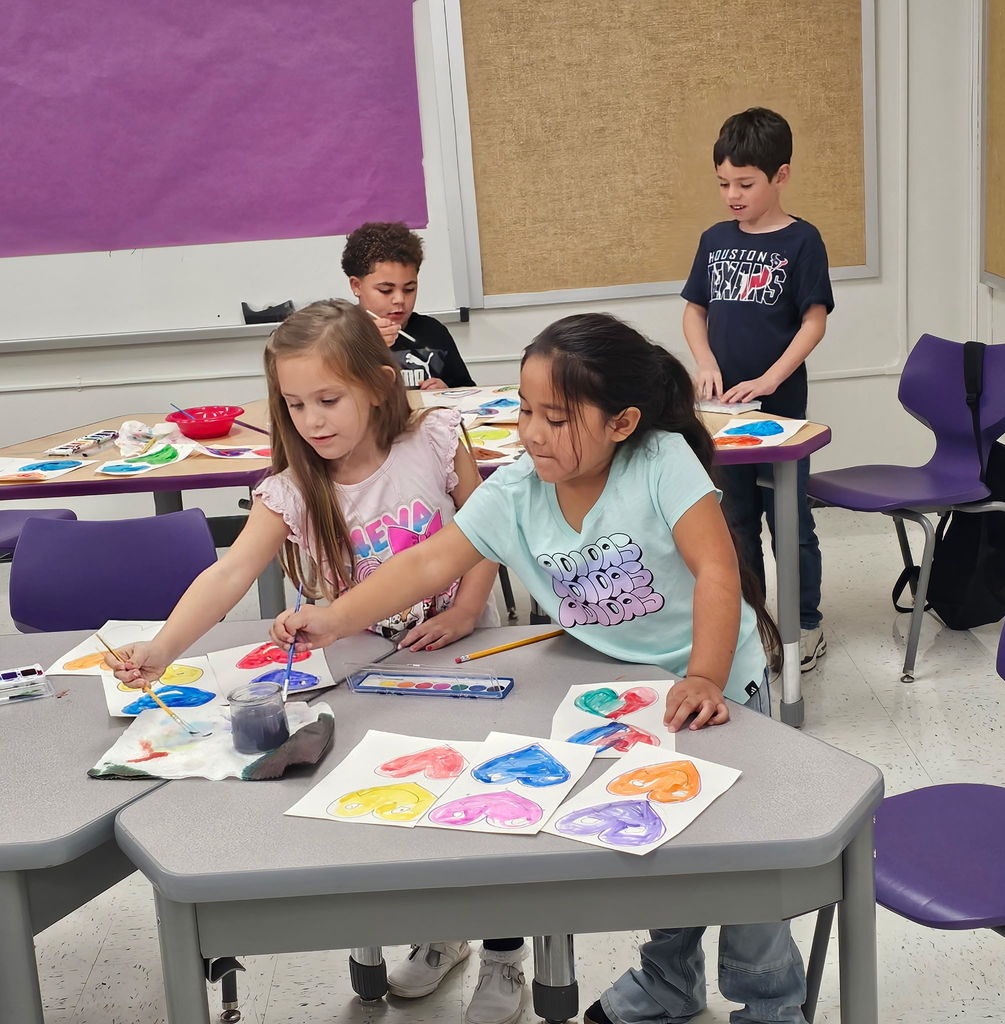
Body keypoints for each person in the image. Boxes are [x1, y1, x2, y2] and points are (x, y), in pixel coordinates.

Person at [272, 313, 806, 1024]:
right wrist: (335, 616)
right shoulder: (519, 489)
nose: (531, 433)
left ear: (622, 424)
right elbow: (432, 560)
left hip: (716, 681)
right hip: (623, 694)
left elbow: (716, 570)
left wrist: (704, 675)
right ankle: (670, 982)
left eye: (555, 417)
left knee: (741, 863)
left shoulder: (661, 459)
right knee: (663, 841)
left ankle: (771, 1004)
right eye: (526, 411)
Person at [108, 298, 499, 686]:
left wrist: (465, 612)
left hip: (469, 644)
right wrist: (160, 650)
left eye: (329, 400)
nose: (312, 421)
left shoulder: (433, 440)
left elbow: (484, 532)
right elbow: (229, 573)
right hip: (367, 661)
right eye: (295, 405)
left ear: (379, 386)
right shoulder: (291, 491)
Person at [682, 107, 834, 673]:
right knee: (733, 522)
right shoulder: (715, 239)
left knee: (790, 522)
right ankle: (751, 621)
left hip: (781, 416)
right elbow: (695, 312)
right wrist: (704, 362)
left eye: (745, 184)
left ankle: (805, 624)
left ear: (781, 175)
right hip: (721, 416)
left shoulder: (802, 241)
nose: (732, 195)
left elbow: (813, 322)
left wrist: (770, 380)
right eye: (724, 183)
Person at [342, 221, 475, 390]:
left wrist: (447, 391)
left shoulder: (433, 332)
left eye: (409, 289)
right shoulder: (340, 335)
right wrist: (367, 345)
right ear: (356, 286)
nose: (399, 299)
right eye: (385, 290)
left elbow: (468, 391)